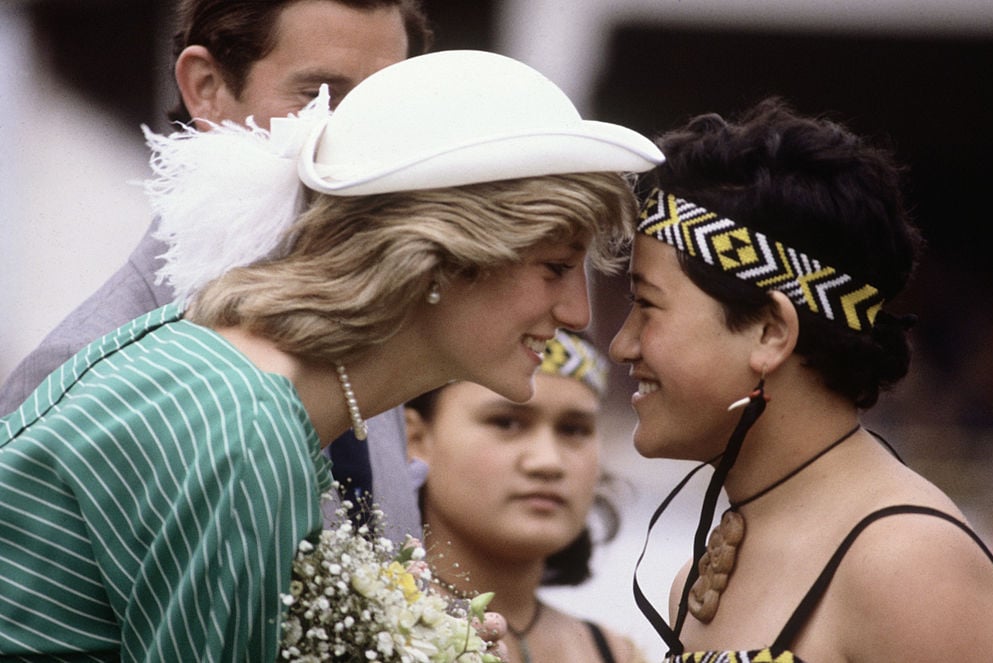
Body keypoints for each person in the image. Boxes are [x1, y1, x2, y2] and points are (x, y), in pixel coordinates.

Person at [0, 50, 664, 660]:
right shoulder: (244, 431)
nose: (578, 312)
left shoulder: (236, 380)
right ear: (437, 255)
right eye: (553, 266)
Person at [0, 0, 432, 543]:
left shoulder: (377, 335)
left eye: (383, 106)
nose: (362, 138)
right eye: (320, 96)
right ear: (206, 87)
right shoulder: (83, 370)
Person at [611, 97, 993, 660]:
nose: (621, 345)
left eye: (648, 305)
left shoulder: (908, 564)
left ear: (769, 332)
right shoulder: (701, 577)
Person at [404, 330, 649, 663]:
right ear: (415, 438)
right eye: (506, 423)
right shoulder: (371, 626)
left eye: (574, 429)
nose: (548, 461)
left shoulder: (617, 654)